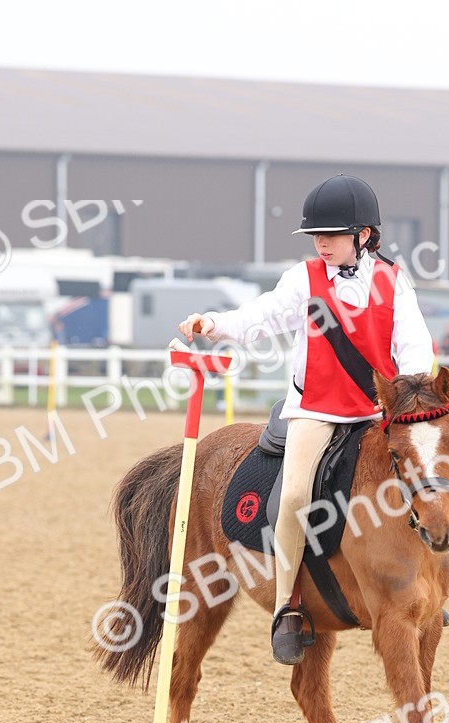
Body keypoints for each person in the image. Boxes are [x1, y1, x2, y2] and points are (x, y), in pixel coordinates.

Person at [179, 174, 435, 666]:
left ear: (364, 235)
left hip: (374, 414)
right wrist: (214, 323)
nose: (321, 242)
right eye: (316, 235)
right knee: (295, 495)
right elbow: (263, 316)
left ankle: (424, 590)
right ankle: (288, 607)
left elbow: (414, 344)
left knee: (426, 480)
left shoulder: (394, 282)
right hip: (315, 411)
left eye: (332, 234)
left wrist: (413, 389)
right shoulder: (304, 278)